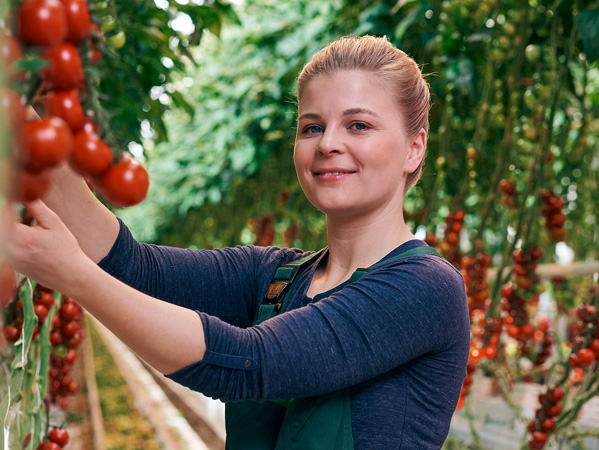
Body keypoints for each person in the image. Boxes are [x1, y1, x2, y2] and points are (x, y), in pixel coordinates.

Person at [3, 35, 470, 449]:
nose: (327, 143)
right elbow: (132, 266)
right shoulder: (276, 277)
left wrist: (75, 277)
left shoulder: (425, 288)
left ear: (415, 148)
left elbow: (250, 362)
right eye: (311, 127)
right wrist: (20, 121)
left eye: (358, 125)